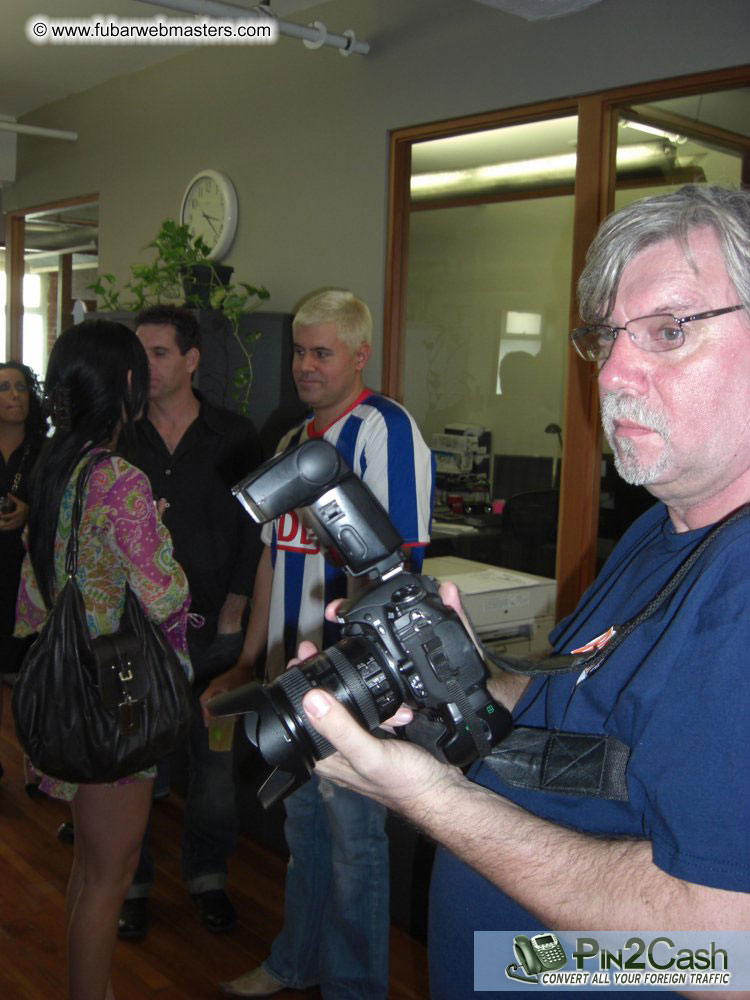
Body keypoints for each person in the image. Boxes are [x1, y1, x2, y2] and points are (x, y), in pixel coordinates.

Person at [279, 186, 750, 1000]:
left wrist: (430, 798)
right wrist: (463, 670)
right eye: (606, 338)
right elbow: (586, 719)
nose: (613, 373)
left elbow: (723, 957)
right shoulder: (663, 529)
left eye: (669, 332)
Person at [202, 289, 434, 999]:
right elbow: (274, 557)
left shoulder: (384, 430)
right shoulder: (292, 445)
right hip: (291, 679)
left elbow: (401, 564)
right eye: (300, 351)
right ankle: (295, 961)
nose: (305, 364)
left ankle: (355, 988)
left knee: (355, 846)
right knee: (305, 832)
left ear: (359, 355)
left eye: (321, 352)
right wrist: (251, 660)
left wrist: (359, 679)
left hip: (351, 684)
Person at [14, 319, 192, 1000]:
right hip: (117, 678)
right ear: (124, 384)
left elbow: (33, 596)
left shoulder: (53, 466)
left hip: (65, 678)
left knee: (88, 868)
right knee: (111, 878)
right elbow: (165, 593)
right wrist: (160, 530)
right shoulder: (119, 480)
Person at [116, 305, 263, 940]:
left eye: (159, 353)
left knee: (214, 776)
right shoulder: (120, 438)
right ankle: (134, 881)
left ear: (192, 359)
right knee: (138, 771)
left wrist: (236, 607)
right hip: (138, 638)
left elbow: (259, 532)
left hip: (217, 638)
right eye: (139, 354)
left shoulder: (235, 435)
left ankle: (206, 877)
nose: (145, 366)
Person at [0, 361, 47, 768]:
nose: (14, 395)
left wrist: (29, 513)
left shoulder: (45, 450)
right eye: (4, 388)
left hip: (29, 573)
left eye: (20, 387)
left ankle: (37, 764)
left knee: (31, 676)